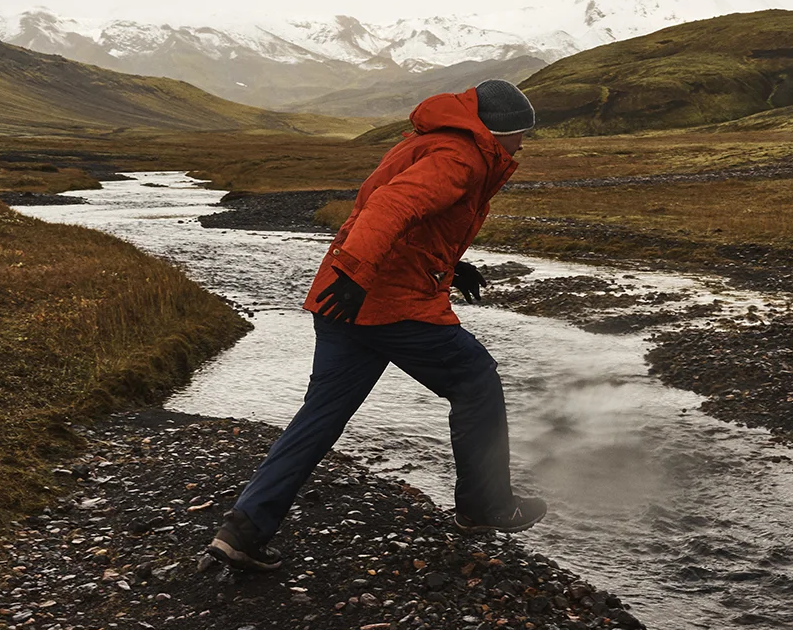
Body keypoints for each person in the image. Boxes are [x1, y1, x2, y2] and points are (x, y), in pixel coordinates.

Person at [204, 80, 547, 571]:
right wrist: (356, 275)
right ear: (498, 131)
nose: (522, 145)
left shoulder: (436, 144)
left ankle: (244, 529)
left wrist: (450, 266)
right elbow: (392, 207)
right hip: (388, 302)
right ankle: (485, 507)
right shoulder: (460, 157)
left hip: (348, 301)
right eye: (520, 135)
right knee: (476, 381)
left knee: (320, 415)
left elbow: (411, 221)